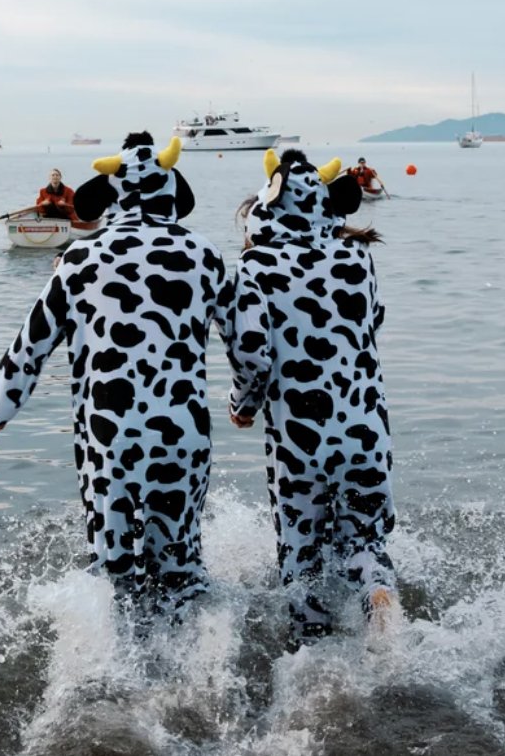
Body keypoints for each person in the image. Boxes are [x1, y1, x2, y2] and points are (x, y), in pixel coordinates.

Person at [0, 132, 230, 615]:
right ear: (171, 190)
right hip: (183, 432)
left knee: (114, 569)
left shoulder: (78, 258)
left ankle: (119, 675)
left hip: (109, 437)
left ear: (114, 194)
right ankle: (201, 669)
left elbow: (33, 340)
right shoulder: (203, 253)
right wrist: (247, 398)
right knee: (180, 564)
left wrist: (0, 405)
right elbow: (249, 339)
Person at [225, 148, 399, 647]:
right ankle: (379, 594)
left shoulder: (257, 266)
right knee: (365, 539)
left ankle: (311, 657)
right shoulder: (357, 258)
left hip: (298, 439)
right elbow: (374, 324)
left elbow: (253, 352)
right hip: (365, 427)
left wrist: (243, 405)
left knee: (301, 554)